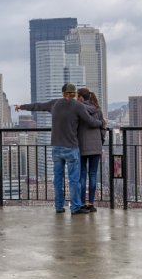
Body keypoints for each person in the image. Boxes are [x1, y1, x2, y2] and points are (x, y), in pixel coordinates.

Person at [14, 83, 103, 215]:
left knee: (58, 179)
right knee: (74, 180)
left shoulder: (54, 104)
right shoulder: (78, 106)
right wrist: (101, 123)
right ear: (74, 94)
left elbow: (38, 106)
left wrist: (21, 106)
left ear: (63, 93)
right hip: (71, 148)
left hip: (56, 147)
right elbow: (90, 121)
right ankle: (75, 207)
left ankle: (59, 206)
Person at [77, 88, 106, 212]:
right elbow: (103, 128)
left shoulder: (78, 109)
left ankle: (82, 203)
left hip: (82, 146)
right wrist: (100, 142)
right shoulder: (98, 110)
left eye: (78, 97)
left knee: (82, 175)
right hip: (96, 147)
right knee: (93, 175)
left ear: (81, 98)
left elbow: (75, 127)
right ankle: (91, 203)